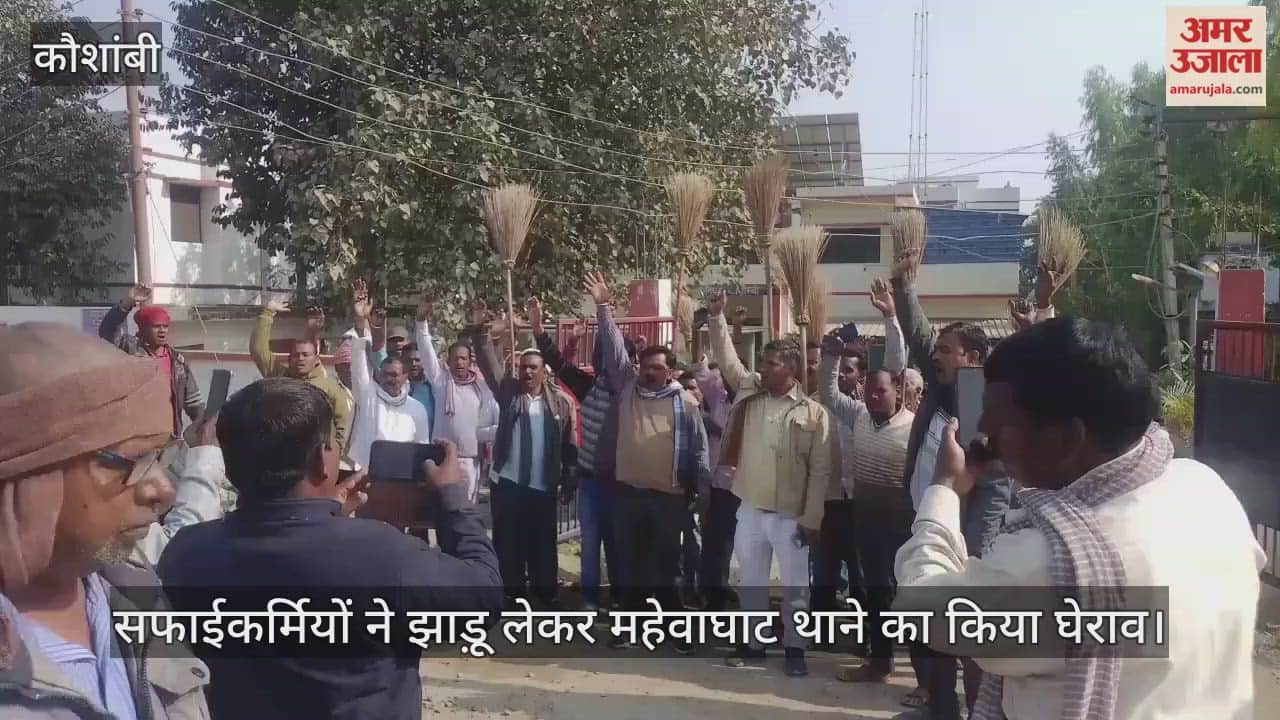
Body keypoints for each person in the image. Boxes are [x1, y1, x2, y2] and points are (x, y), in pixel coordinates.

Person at [895, 317, 1265, 720]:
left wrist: (945, 489)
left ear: (1069, 438)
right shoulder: (1205, 489)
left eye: (998, 417)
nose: (983, 431)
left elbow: (921, 605)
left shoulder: (1047, 568)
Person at [158, 377, 503, 720]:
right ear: (324, 460)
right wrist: (453, 498)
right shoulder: (380, 553)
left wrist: (325, 520)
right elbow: (482, 595)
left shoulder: (185, 554)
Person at [0, 322, 211, 718]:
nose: (162, 489)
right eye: (132, 462)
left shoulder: (139, 597)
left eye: (161, 458)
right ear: (27, 469)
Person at [890, 249, 1028, 717]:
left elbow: (993, 486)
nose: (935, 355)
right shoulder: (946, 391)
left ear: (972, 358)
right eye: (937, 352)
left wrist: (973, 553)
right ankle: (941, 708)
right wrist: (903, 284)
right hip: (930, 524)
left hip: (966, 540)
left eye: (945, 351)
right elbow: (919, 333)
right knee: (933, 633)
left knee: (967, 640)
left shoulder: (985, 401)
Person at [705, 289, 834, 677]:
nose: (764, 366)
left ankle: (795, 648)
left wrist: (811, 519)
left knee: (796, 585)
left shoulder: (813, 414)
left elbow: (821, 471)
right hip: (750, 508)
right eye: (764, 360)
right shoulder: (750, 393)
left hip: (791, 515)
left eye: (773, 362)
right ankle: (754, 643)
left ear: (792, 370)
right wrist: (716, 318)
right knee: (752, 580)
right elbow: (727, 360)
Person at [584, 273, 710, 651]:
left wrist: (702, 491)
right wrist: (604, 307)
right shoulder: (627, 390)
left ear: (669, 371)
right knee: (628, 566)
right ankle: (628, 629)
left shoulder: (685, 404)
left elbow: (700, 452)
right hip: (628, 496)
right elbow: (613, 351)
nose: (648, 372)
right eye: (644, 366)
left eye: (656, 367)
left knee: (665, 569)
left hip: (668, 500)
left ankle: (671, 630)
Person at [811, 285, 916, 685]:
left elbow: (896, 362)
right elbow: (826, 391)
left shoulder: (913, 426)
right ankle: (880, 662)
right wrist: (831, 357)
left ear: (898, 391)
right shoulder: (855, 414)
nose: (874, 395)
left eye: (882, 390)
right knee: (875, 595)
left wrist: (891, 317)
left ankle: (924, 674)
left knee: (910, 594)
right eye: (870, 390)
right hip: (866, 520)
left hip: (904, 524)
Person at [468, 316, 579, 609]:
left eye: (533, 368)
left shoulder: (560, 404)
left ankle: (546, 592)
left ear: (544, 372)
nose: (527, 372)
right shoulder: (509, 394)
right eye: (523, 368)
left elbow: (569, 444)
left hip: (543, 485)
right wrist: (483, 333)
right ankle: (511, 592)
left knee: (543, 542)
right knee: (509, 542)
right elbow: (490, 365)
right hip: (510, 483)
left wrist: (569, 477)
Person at [528, 302, 630, 611]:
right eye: (597, 356)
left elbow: (615, 353)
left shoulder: (629, 392)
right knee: (590, 544)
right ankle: (589, 598)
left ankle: (618, 597)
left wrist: (604, 310)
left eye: (605, 357)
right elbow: (558, 364)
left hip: (619, 484)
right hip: (590, 482)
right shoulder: (589, 386)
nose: (601, 361)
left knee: (616, 545)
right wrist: (537, 331)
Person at [416, 295, 499, 503]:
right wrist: (420, 321)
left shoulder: (482, 389)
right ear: (448, 361)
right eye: (455, 358)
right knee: (441, 512)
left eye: (464, 358)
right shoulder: (441, 381)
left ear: (471, 362)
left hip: (469, 462)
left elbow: (489, 427)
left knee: (465, 514)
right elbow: (426, 352)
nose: (459, 363)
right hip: (441, 459)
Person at [251, 295, 355, 455]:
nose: (300, 358)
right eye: (296, 355)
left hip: (314, 458)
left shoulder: (329, 387)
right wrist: (268, 313)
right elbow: (258, 351)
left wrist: (336, 454)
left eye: (305, 355)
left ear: (316, 359)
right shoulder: (280, 376)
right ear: (289, 358)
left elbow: (344, 422)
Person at [346, 281, 432, 469]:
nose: (390, 379)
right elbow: (360, 360)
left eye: (395, 375)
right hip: (366, 476)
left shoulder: (417, 409)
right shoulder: (367, 396)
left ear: (405, 376)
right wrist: (361, 321)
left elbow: (423, 450)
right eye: (385, 374)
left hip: (401, 479)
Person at [98, 282, 204, 432]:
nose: (162, 330)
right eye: (156, 326)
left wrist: (207, 427)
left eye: (165, 326)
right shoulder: (129, 349)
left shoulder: (178, 362)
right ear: (143, 329)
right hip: (136, 435)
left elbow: (194, 404)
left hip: (169, 437)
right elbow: (107, 330)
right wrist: (128, 301)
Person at [401, 341, 437, 439]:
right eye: (408, 360)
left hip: (427, 447)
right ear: (402, 362)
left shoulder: (434, 387)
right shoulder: (395, 388)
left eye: (417, 360)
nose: (413, 364)